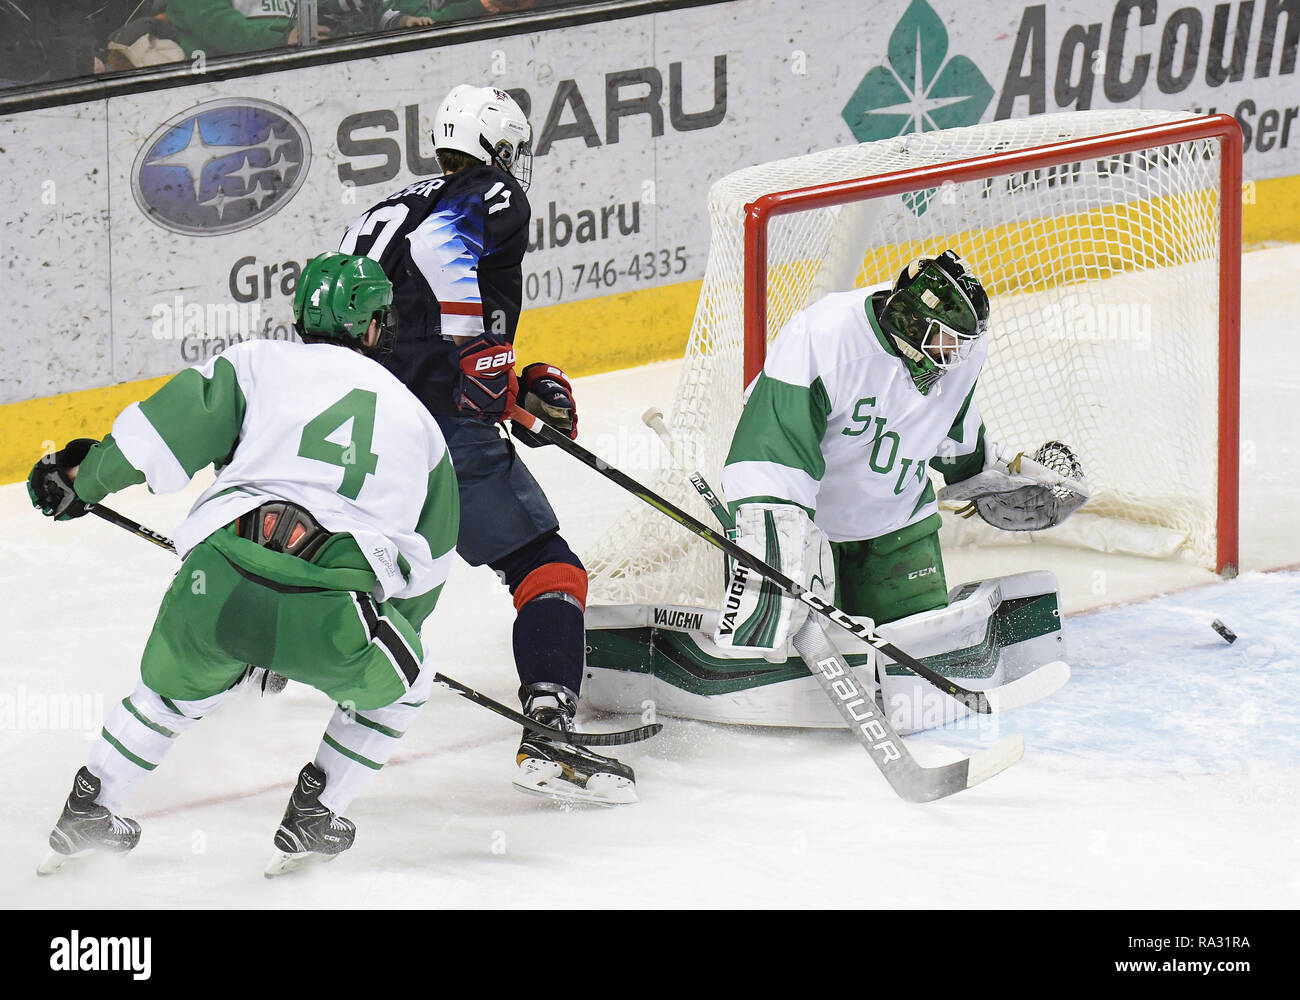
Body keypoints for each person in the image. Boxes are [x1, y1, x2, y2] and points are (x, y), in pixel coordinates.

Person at [28, 252, 459, 876]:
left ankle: (91, 805)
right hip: (334, 609)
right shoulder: (420, 425)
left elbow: (159, 435)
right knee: (406, 686)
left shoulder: (255, 363)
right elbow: (430, 564)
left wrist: (83, 481)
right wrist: (392, 627)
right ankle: (316, 813)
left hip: (218, 575)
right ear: (370, 326)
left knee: (171, 694)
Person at [339, 84, 634, 805]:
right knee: (544, 564)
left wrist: (512, 380)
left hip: (347, 425)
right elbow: (445, 260)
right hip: (435, 431)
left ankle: (256, 664)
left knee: (352, 562)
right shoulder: (488, 191)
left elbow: (362, 309)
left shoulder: (386, 207)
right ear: (496, 147)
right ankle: (551, 735)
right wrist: (475, 362)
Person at [717, 249, 1085, 657]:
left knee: (923, 653)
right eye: (948, 341)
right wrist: (775, 549)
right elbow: (770, 453)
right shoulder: (823, 339)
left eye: (965, 343)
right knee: (790, 645)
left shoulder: (956, 350)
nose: (958, 355)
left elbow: (950, 415)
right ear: (911, 322)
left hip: (900, 525)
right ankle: (759, 649)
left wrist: (980, 473)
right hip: (811, 536)